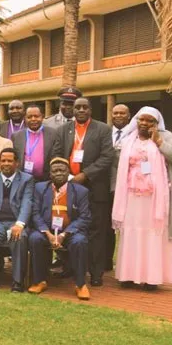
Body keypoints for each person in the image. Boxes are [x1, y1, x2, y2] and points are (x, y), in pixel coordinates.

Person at [51, 97, 114, 286]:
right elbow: (57, 154)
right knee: (69, 227)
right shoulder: (63, 130)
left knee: (96, 232)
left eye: (84, 107)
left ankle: (95, 273)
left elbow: (107, 157)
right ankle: (69, 267)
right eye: (77, 107)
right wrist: (66, 176)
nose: (80, 110)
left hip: (95, 188)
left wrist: (85, 174)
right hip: (69, 187)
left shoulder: (103, 129)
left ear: (90, 110)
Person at [112, 106, 172, 290]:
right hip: (131, 195)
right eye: (141, 119)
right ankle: (128, 275)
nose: (144, 123)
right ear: (136, 121)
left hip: (154, 197)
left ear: (156, 123)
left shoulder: (166, 136)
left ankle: (151, 278)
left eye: (149, 121)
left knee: (151, 233)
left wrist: (159, 141)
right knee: (131, 232)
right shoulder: (128, 139)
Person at [28, 157, 91, 300]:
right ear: (49, 174)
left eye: (62, 170)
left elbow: (84, 217)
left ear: (68, 172)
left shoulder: (81, 191)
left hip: (70, 232)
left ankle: (80, 284)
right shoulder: (40, 188)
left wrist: (64, 235)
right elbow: (35, 213)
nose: (58, 173)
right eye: (55, 171)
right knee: (35, 238)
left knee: (80, 241)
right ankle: (39, 281)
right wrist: (48, 233)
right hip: (47, 231)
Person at [0, 147, 34, 292]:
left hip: (16, 222)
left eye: (10, 161)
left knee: (19, 238)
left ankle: (17, 281)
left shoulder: (26, 179)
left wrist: (20, 224)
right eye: (3, 161)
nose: (6, 164)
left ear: (17, 163)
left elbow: (27, 203)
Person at [107, 104, 131, 270]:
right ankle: (107, 261)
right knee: (107, 226)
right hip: (106, 186)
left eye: (122, 113)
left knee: (127, 227)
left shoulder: (134, 134)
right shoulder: (104, 132)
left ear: (129, 116)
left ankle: (127, 264)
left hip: (128, 187)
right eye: (115, 113)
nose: (118, 116)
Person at [12, 105, 57, 182]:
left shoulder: (53, 133)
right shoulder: (16, 136)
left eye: (36, 116)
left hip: (46, 180)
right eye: (29, 117)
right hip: (23, 181)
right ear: (25, 118)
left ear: (42, 117)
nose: (33, 119)